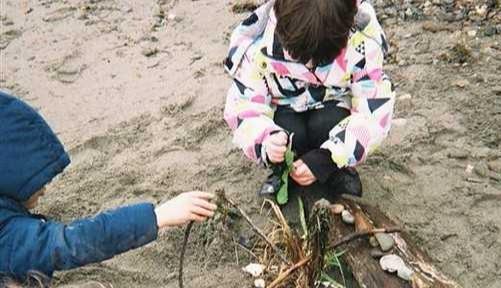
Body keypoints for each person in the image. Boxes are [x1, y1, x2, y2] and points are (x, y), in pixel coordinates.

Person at [0, 91, 217, 283]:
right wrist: (157, 216)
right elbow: (70, 243)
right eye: (39, 181)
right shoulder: (7, 237)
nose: (44, 188)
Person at [223, 0, 395, 199]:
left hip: (332, 107)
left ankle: (337, 168)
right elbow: (244, 105)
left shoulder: (361, 42)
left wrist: (328, 158)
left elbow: (373, 111)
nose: (310, 65)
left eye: (322, 59)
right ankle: (284, 169)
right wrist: (266, 141)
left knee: (326, 122)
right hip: (285, 113)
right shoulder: (258, 46)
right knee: (286, 133)